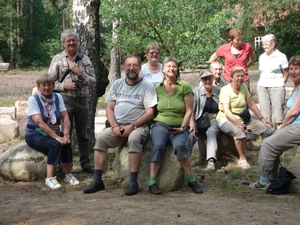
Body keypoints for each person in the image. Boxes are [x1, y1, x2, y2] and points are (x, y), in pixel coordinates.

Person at [83, 54, 157, 196]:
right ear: (123, 67)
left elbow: (150, 113)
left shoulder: (147, 86)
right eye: (128, 65)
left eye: (135, 65)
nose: (131, 68)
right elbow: (110, 108)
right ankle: (98, 181)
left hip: (138, 127)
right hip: (118, 126)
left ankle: (133, 182)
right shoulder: (117, 84)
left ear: (140, 68)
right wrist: (114, 126)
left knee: (134, 139)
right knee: (101, 139)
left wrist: (132, 126)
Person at [148, 56, 203, 195]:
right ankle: (152, 182)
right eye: (169, 66)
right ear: (163, 69)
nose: (171, 69)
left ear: (177, 69)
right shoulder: (156, 88)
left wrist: (183, 127)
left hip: (179, 125)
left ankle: (191, 180)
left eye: (174, 66)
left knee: (179, 146)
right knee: (158, 145)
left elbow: (189, 110)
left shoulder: (184, 86)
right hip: (160, 124)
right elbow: (152, 110)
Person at [48, 29, 96, 174]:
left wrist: (79, 72)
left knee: (83, 134)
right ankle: (64, 165)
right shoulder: (57, 59)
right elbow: (48, 83)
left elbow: (93, 82)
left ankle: (85, 164)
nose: (71, 43)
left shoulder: (85, 59)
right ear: (63, 43)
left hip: (82, 101)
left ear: (78, 42)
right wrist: (64, 86)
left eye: (73, 40)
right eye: (68, 40)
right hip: (65, 100)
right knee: (63, 134)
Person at [250, 56, 300, 190]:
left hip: (298, 127)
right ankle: (272, 177)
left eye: (297, 68)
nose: (293, 72)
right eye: (291, 69)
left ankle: (263, 181)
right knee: (271, 140)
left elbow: (294, 112)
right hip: (294, 125)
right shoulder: (296, 87)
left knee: (267, 143)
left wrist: (281, 127)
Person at [25, 74, 79, 189]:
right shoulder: (33, 100)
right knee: (55, 144)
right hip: (35, 133)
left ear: (53, 86)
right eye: (43, 85)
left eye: (49, 85)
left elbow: (65, 117)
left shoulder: (58, 97)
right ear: (39, 87)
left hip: (54, 130)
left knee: (66, 142)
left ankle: (68, 175)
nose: (46, 87)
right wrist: (56, 137)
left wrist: (65, 135)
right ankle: (49, 178)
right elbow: (39, 122)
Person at [216, 67, 274, 170]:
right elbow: (226, 110)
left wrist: (262, 119)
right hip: (225, 119)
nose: (240, 78)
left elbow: (251, 104)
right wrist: (237, 123)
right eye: (237, 76)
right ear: (231, 77)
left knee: (268, 129)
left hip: (243, 119)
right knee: (240, 133)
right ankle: (242, 159)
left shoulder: (243, 87)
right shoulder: (225, 90)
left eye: (242, 76)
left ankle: (266, 155)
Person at [192, 70, 221, 173]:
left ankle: (211, 161)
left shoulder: (218, 90)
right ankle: (185, 160)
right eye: (205, 79)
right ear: (201, 80)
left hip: (214, 117)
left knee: (211, 131)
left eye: (209, 78)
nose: (207, 81)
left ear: (213, 78)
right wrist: (192, 123)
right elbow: (192, 109)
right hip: (199, 117)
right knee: (193, 133)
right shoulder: (196, 91)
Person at [257, 34, 289, 129]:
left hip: (277, 86)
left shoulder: (281, 56)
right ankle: (266, 139)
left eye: (266, 44)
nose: (264, 46)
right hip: (262, 86)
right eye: (263, 44)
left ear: (273, 44)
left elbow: (286, 73)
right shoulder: (262, 57)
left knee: (278, 114)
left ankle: (279, 139)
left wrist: (281, 84)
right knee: (265, 115)